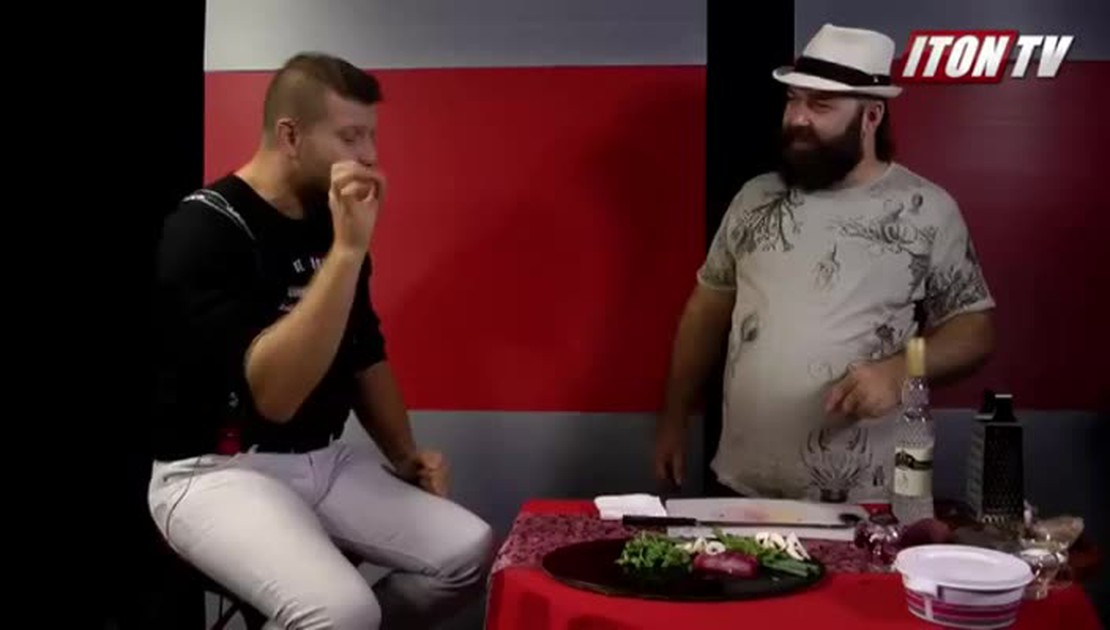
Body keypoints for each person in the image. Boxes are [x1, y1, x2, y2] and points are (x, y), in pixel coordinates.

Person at [148, 52, 493, 630]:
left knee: (468, 552)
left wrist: (404, 454)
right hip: (213, 472)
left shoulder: (326, 223)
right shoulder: (204, 228)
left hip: (323, 462)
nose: (370, 156)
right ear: (291, 136)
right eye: (351, 136)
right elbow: (274, 399)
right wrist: (348, 253)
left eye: (371, 136)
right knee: (343, 611)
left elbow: (364, 351)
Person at [654, 24, 997, 502]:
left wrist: (902, 369)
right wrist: (674, 419)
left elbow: (974, 331)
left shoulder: (926, 210)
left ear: (871, 115)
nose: (797, 118)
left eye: (820, 106)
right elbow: (706, 312)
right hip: (744, 485)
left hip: (871, 497)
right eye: (793, 100)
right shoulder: (755, 199)